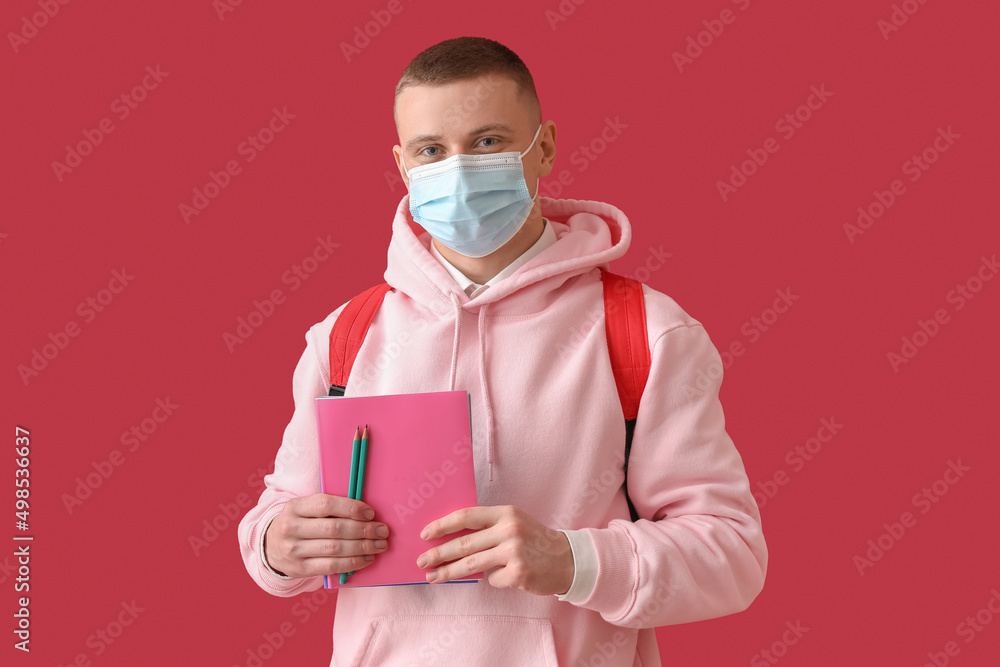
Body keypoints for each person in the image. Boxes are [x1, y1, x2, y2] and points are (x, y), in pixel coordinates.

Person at [238, 35, 767, 666]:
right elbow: (273, 522)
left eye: (487, 142)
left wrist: (572, 559)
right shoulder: (345, 336)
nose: (458, 170)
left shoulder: (646, 332)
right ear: (405, 167)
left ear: (542, 148)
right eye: (432, 151)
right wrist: (277, 543)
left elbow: (732, 556)